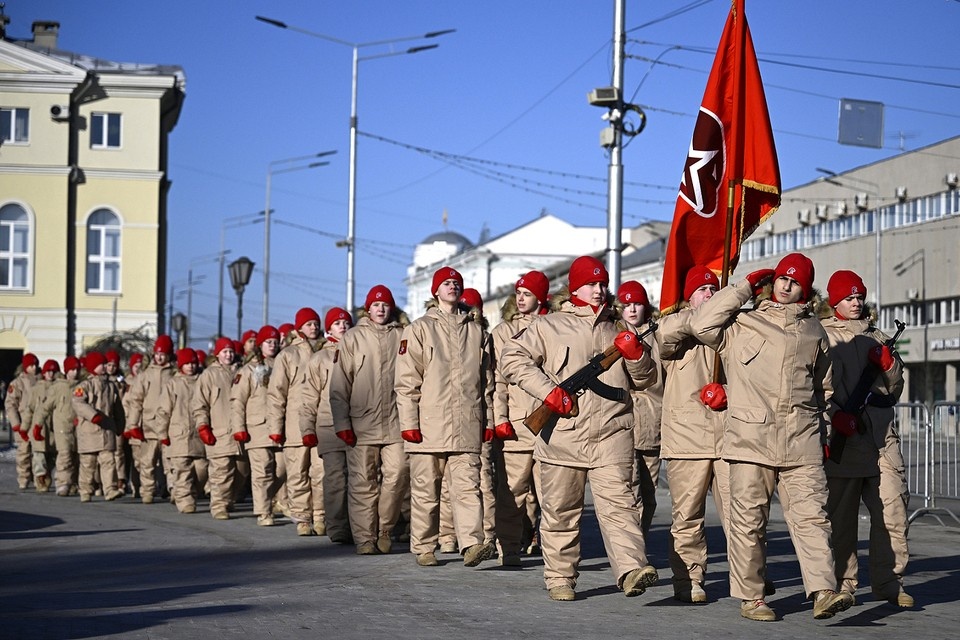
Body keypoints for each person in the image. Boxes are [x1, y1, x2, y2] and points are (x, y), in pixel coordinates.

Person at [687, 253, 852, 621]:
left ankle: (824, 590)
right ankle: (752, 597)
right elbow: (701, 324)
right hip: (750, 440)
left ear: (806, 290)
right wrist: (743, 285)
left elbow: (824, 388)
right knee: (749, 522)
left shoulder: (815, 332)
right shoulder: (744, 323)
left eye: (795, 281)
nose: (786, 283)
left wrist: (818, 426)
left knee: (812, 518)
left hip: (801, 442)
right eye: (781, 277)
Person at [500, 256, 659, 602]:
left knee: (621, 506)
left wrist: (637, 357)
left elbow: (646, 380)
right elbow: (511, 358)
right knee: (560, 511)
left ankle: (631, 569)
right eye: (591, 284)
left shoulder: (620, 329)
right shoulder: (549, 326)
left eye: (603, 284)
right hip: (562, 434)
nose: (599, 291)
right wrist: (547, 391)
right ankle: (560, 577)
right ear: (575, 288)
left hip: (612, 433)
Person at [820, 269, 913, 607]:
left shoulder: (878, 336)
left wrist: (889, 366)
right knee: (841, 522)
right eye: (849, 297)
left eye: (859, 296)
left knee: (893, 515)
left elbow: (895, 389)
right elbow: (816, 387)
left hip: (882, 441)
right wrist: (833, 418)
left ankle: (890, 582)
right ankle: (845, 584)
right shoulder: (825, 337)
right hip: (844, 443)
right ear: (835, 302)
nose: (856, 302)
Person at [395, 266, 497, 568]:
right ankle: (424, 546)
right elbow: (406, 382)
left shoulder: (477, 331)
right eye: (446, 283)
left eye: (456, 283)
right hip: (428, 427)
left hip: (466, 424)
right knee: (427, 491)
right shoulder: (419, 329)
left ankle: (471, 544)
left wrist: (487, 422)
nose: (452, 287)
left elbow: (487, 383)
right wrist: (409, 424)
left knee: (468, 488)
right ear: (435, 291)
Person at [656, 266, 730, 604]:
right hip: (687, 439)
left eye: (714, 290)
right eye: (703, 290)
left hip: (731, 436)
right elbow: (663, 339)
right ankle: (690, 579)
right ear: (689, 297)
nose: (709, 296)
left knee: (743, 514)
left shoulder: (733, 330)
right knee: (687, 516)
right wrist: (700, 317)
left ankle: (751, 581)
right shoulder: (675, 326)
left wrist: (730, 391)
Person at [330, 285, 410, 555]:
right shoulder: (353, 337)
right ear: (368, 308)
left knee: (398, 475)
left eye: (385, 304)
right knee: (363, 482)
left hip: (397, 423)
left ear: (392, 308)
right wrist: (342, 424)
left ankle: (385, 530)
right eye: (375, 305)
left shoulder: (403, 335)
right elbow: (340, 384)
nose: (380, 309)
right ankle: (365, 538)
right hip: (361, 424)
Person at [490, 270, 550, 567]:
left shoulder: (554, 326)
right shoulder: (503, 331)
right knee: (512, 492)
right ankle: (510, 548)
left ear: (540, 296)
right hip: (516, 424)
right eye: (519, 293)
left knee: (551, 494)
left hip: (551, 424)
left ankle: (553, 552)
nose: (521, 298)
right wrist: (500, 418)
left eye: (527, 293)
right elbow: (499, 381)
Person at [299, 307, 354, 544]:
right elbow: (309, 397)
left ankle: (358, 525)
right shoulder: (319, 358)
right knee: (335, 478)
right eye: (337, 323)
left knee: (359, 479)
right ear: (329, 328)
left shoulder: (357, 351)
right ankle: (337, 525)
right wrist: (307, 429)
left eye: (345, 322)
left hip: (357, 424)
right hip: (329, 425)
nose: (342, 326)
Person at [269, 307, 326, 536]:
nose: (313, 327)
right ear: (299, 327)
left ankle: (321, 515)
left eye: (315, 323)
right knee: (297, 473)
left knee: (320, 472)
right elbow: (276, 394)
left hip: (320, 423)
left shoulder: (325, 352)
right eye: (308, 324)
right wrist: (275, 428)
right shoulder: (288, 355)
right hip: (294, 426)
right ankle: (302, 518)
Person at [615, 280, 663, 540]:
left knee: (650, 495)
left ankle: (639, 543)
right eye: (626, 304)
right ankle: (629, 550)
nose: (632, 309)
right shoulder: (612, 333)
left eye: (637, 303)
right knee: (628, 493)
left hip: (654, 425)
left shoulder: (659, 335)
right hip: (624, 424)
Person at [231, 325, 285, 526]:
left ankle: (276, 500)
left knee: (283, 468)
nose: (272, 345)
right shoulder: (248, 370)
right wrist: (239, 428)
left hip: (279, 427)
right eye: (268, 342)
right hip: (257, 428)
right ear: (260, 345)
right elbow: (237, 401)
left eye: (275, 342)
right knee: (262, 471)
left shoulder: (281, 365)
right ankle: (264, 512)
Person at [192, 337, 241, 520]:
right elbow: (199, 404)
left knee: (242, 471)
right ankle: (219, 505)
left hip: (240, 431)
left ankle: (229, 500)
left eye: (230, 351)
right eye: (224, 352)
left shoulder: (240, 371)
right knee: (221, 471)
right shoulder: (209, 375)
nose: (228, 355)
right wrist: (203, 426)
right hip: (219, 430)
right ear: (217, 354)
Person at [124, 335, 176, 504]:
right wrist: (133, 424)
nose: (160, 357)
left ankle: (175, 490)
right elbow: (136, 400)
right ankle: (147, 490)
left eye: (163, 354)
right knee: (148, 461)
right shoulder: (145, 375)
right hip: (149, 425)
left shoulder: (174, 374)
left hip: (169, 425)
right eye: (157, 353)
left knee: (171, 461)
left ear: (169, 355)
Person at [71, 352, 125, 502]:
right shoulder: (84, 386)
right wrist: (92, 415)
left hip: (106, 431)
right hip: (89, 431)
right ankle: (85, 490)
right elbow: (77, 402)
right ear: (93, 367)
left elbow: (118, 408)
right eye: (103, 364)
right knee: (88, 463)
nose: (106, 367)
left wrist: (120, 425)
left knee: (109, 461)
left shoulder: (111, 386)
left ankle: (110, 489)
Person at [158, 348, 206, 514]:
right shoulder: (173, 384)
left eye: (193, 363)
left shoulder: (202, 381)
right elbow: (163, 411)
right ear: (180, 365)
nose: (191, 366)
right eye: (187, 363)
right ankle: (185, 501)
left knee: (202, 469)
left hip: (198, 435)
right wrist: (162, 433)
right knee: (182, 471)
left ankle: (189, 491)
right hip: (178, 435)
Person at [34, 356, 81, 496]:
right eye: (72, 369)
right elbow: (44, 408)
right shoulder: (59, 388)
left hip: (78, 427)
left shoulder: (82, 386)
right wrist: (38, 425)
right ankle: (62, 483)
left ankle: (72, 482)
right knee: (64, 454)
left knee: (75, 456)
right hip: (62, 426)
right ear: (66, 371)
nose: (75, 372)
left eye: (77, 369)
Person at [26, 359, 61, 492]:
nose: (50, 374)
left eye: (53, 371)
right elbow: (29, 409)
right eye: (48, 371)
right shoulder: (36, 389)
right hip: (38, 426)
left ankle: (46, 475)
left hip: (54, 427)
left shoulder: (60, 388)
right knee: (38, 454)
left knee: (52, 456)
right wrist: (24, 427)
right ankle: (40, 478)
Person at [6, 353, 39, 490]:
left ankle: (39, 478)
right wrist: (16, 424)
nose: (34, 368)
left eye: (35, 365)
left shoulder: (41, 381)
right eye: (31, 365)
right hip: (23, 424)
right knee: (24, 453)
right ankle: (24, 478)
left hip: (38, 423)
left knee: (38, 453)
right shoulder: (17, 383)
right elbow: (10, 404)